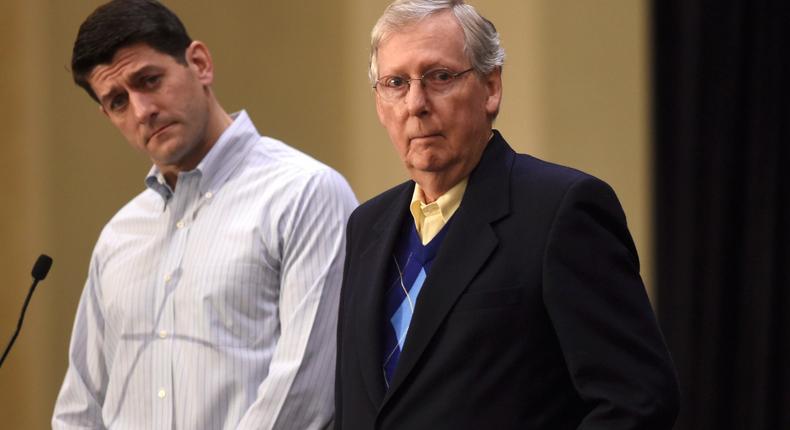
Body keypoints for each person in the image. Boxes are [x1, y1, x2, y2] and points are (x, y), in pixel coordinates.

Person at [335, 0, 680, 428]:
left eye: (439, 77)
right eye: (396, 82)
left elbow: (638, 401)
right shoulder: (366, 227)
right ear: (380, 103)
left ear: (491, 88)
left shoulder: (562, 211)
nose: (416, 103)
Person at [52, 1, 357, 428]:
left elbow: (305, 391)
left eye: (150, 80)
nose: (142, 111)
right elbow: (81, 406)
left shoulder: (303, 194)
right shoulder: (118, 236)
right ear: (107, 115)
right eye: (118, 101)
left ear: (199, 63)